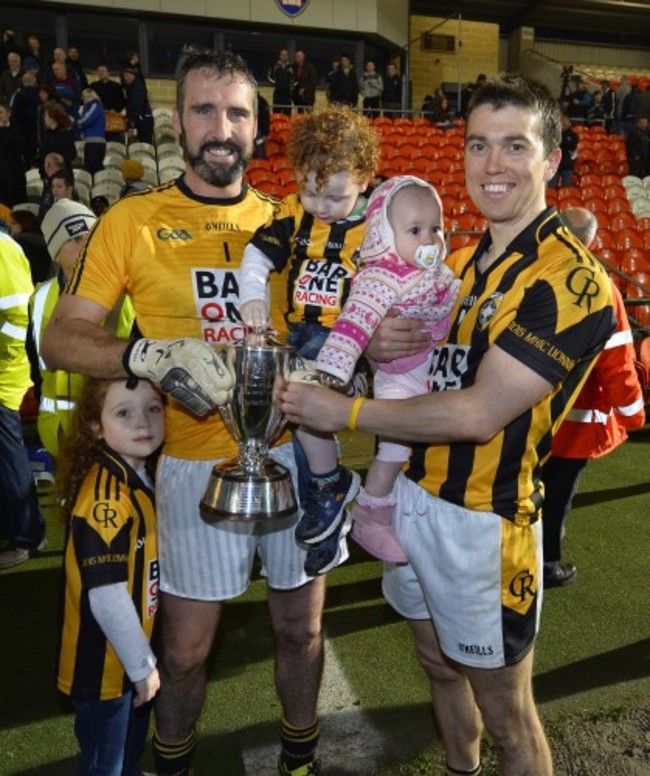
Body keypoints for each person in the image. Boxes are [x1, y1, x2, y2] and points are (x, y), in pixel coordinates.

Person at [276, 73, 616, 775]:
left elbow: (478, 411)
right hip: (411, 502)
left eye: (515, 147)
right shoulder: (456, 265)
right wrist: (371, 349)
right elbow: (417, 367)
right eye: (478, 146)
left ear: (550, 160)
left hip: (482, 527)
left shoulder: (569, 280)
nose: (494, 165)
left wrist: (346, 411)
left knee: (509, 717)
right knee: (436, 665)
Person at [41, 49, 337, 776]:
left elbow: (336, 326)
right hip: (189, 464)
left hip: (292, 456)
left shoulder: (293, 222)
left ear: (258, 126)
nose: (221, 128)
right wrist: (144, 353)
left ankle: (300, 756)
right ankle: (171, 761)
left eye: (237, 112)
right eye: (205, 110)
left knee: (300, 629)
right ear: (177, 124)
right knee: (184, 648)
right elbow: (60, 337)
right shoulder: (132, 221)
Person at [239, 104, 380, 576]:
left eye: (334, 197)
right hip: (301, 332)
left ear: (363, 177)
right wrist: (252, 297)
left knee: (301, 401)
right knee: (293, 419)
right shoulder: (296, 214)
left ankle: (330, 482)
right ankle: (324, 516)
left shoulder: (384, 220)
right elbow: (257, 254)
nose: (319, 206)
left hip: (351, 336)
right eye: (309, 191)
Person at [315, 175, 460, 562]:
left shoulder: (437, 274)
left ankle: (392, 507)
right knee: (396, 448)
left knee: (412, 447)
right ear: (383, 234)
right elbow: (354, 323)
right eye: (415, 230)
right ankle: (369, 514)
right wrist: (334, 367)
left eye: (436, 229)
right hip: (398, 375)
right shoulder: (381, 277)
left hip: (427, 369)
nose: (430, 239)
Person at [56, 376, 164, 775]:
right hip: (104, 666)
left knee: (128, 747)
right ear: (94, 426)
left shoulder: (138, 475)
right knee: (106, 763)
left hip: (131, 658)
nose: (143, 423)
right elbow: (107, 596)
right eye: (124, 413)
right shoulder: (105, 499)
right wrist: (142, 667)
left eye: (154, 408)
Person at [542, 206, 645, 587]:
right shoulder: (601, 285)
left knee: (517, 487)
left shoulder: (529, 271)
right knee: (556, 499)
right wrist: (634, 415)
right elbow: (618, 364)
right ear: (592, 240)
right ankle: (547, 562)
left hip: (523, 415)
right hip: (575, 424)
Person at [33, 200, 134, 458]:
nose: (87, 245)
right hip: (58, 432)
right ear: (55, 252)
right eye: (76, 239)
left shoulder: (128, 294)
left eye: (91, 236)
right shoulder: (39, 297)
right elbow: (35, 364)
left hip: (112, 430)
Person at [0, 230, 47, 570]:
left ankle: (27, 535)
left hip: (3, 374)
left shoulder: (2, 248)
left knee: (8, 457)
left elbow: (19, 314)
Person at [77, 87, 106, 177]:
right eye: (84, 97)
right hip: (90, 140)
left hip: (95, 141)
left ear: (94, 96)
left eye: (88, 96)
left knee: (93, 169)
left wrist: (75, 124)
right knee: (90, 169)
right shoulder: (87, 107)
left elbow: (87, 120)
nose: (86, 99)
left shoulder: (95, 105)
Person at [123, 65, 153, 145]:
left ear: (133, 76)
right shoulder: (131, 88)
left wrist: (132, 119)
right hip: (141, 119)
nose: (125, 78)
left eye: (127, 76)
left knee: (143, 144)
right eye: (124, 76)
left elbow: (136, 104)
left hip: (143, 120)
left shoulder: (137, 88)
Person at [548, 113, 578, 189]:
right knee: (551, 187)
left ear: (569, 122)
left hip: (567, 164)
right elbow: (553, 144)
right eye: (562, 121)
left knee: (566, 188)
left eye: (565, 121)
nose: (564, 122)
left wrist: (561, 143)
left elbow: (572, 147)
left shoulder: (574, 135)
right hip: (555, 164)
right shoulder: (554, 134)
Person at [268, 48, 294, 116]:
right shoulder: (275, 66)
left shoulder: (291, 67)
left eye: (285, 55)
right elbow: (269, 77)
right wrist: (276, 83)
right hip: (277, 94)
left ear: (288, 56)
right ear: (279, 56)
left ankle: (287, 127)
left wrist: (291, 85)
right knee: (276, 113)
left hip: (287, 94)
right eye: (282, 55)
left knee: (287, 114)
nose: (284, 56)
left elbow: (296, 79)